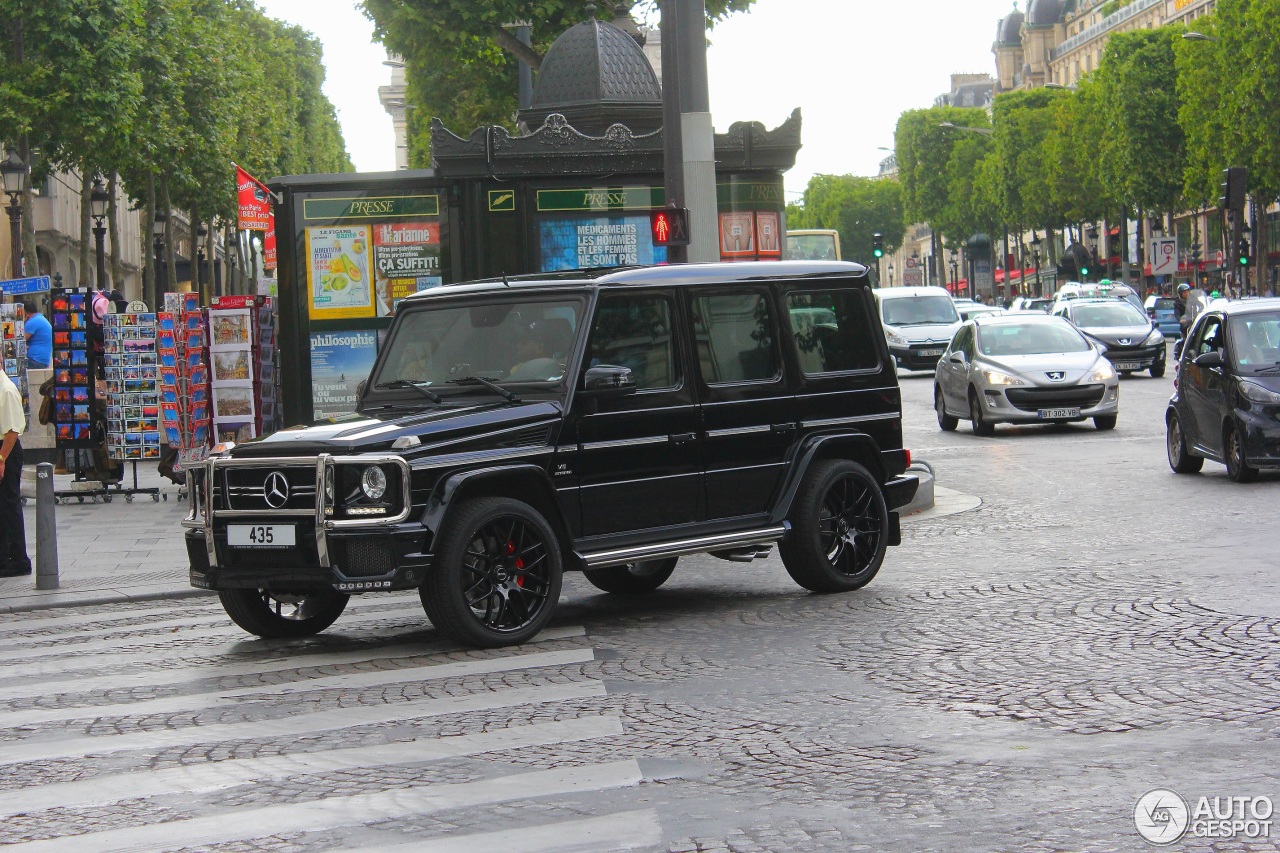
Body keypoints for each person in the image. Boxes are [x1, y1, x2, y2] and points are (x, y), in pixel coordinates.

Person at [0, 368, 30, 577]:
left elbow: (12, 430)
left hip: (6, 450)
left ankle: (17, 559)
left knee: (9, 504)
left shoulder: (6, 390)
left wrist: (1, 459)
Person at [22, 299, 51, 369]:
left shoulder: (32, 322)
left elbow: (20, 340)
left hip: (34, 360)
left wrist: (22, 321)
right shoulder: (39, 318)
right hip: (42, 360)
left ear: (25, 312)